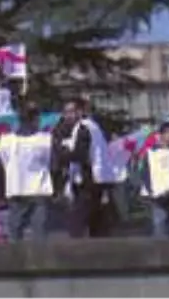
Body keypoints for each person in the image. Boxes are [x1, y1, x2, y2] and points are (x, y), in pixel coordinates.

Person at [57, 99, 114, 238]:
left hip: (88, 179)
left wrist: (63, 153)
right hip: (99, 178)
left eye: (71, 112)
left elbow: (80, 153)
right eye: (66, 112)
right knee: (96, 220)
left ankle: (77, 253)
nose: (67, 116)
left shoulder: (83, 127)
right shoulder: (93, 126)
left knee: (77, 220)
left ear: (80, 112)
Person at [0, 105, 53, 241]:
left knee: (15, 233)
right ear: (35, 119)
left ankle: (16, 261)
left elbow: (0, 165)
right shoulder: (45, 139)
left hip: (17, 188)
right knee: (39, 233)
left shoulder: (5, 141)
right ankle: (39, 261)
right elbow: (54, 163)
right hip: (38, 190)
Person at [140, 120, 169, 237]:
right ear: (162, 135)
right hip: (157, 194)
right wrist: (151, 190)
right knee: (160, 222)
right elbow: (145, 172)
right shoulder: (151, 153)